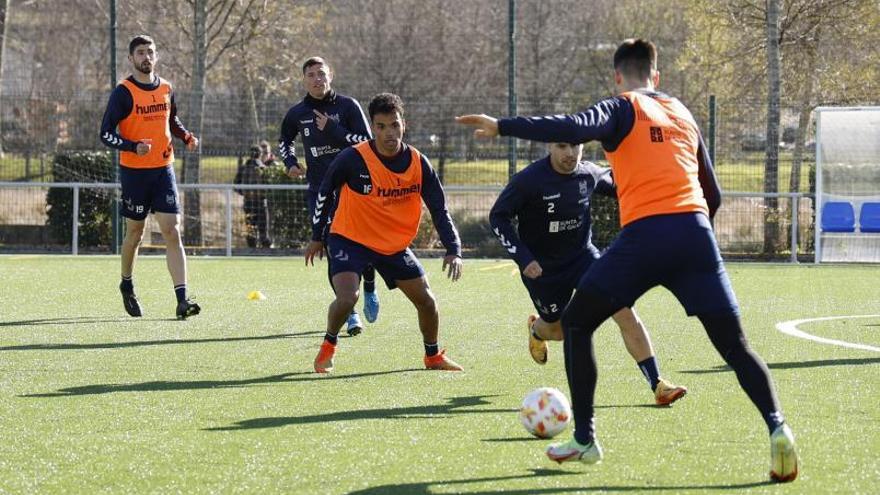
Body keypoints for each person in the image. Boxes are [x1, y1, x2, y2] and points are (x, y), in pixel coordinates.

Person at [457, 39, 797, 482]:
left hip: (644, 238)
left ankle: (584, 438)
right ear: (657, 76)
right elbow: (713, 194)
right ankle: (778, 429)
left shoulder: (622, 107)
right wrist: (695, 241)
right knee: (736, 347)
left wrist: (502, 126)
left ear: (618, 77)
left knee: (577, 324)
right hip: (696, 235)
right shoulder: (682, 113)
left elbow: (573, 126)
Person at [490, 141, 687, 406]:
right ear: (550, 147)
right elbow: (498, 217)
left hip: (584, 258)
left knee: (624, 311)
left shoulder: (589, 174)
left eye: (575, 146)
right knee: (557, 331)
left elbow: (624, 187)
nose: (570, 153)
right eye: (562, 146)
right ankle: (537, 330)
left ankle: (658, 384)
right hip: (542, 270)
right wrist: (524, 258)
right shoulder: (528, 180)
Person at [305, 93, 463, 374]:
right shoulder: (353, 159)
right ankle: (328, 347)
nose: (388, 133)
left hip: (392, 245)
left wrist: (453, 248)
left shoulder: (418, 162)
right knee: (347, 297)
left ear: (405, 124)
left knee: (427, 301)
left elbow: (439, 208)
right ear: (373, 127)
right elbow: (325, 193)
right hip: (349, 238)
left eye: (394, 125)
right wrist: (318, 236)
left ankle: (433, 356)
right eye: (380, 126)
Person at [99, 34, 201, 320]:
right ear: (131, 58)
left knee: (172, 230)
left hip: (163, 169)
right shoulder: (123, 92)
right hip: (134, 173)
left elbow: (171, 119)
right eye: (141, 53)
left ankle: (182, 299)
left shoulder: (166, 87)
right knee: (136, 233)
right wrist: (133, 147)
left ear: (156, 57)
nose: (146, 57)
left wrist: (185, 136)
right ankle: (127, 283)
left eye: (151, 52)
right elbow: (105, 133)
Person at [279, 56, 379, 335]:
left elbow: (367, 142)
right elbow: (284, 141)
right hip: (319, 190)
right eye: (311, 74)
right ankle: (350, 312)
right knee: (331, 248)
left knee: (364, 248)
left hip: (354, 188)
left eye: (321, 74)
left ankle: (369, 286)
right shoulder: (297, 113)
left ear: (330, 76)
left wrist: (334, 131)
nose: (316, 79)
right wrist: (290, 163)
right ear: (304, 80)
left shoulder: (348, 106)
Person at [234, 146, 272, 248]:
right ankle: (266, 249)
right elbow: (268, 186)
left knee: (250, 228)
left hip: (248, 202)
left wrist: (245, 193)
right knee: (263, 228)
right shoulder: (263, 168)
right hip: (261, 202)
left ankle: (251, 248)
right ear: (260, 154)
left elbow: (236, 185)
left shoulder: (243, 168)